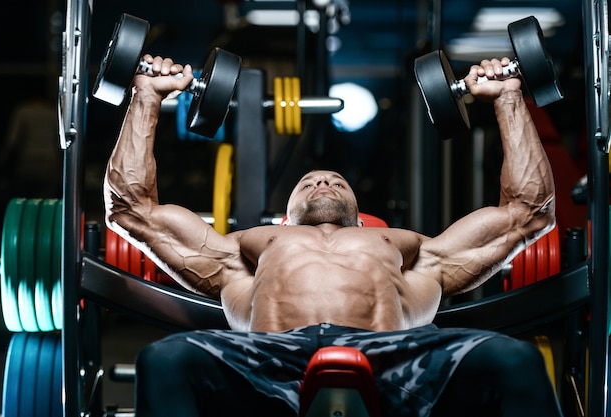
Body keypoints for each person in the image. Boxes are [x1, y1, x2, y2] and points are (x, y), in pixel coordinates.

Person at [103, 53, 562, 417]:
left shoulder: (415, 254)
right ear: (282, 220)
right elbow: (130, 209)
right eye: (309, 182)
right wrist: (146, 94)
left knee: (515, 359)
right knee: (164, 359)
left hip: (393, 354)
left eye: (337, 182)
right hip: (271, 353)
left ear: (363, 219)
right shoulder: (243, 256)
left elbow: (528, 213)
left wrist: (508, 97)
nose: (323, 182)